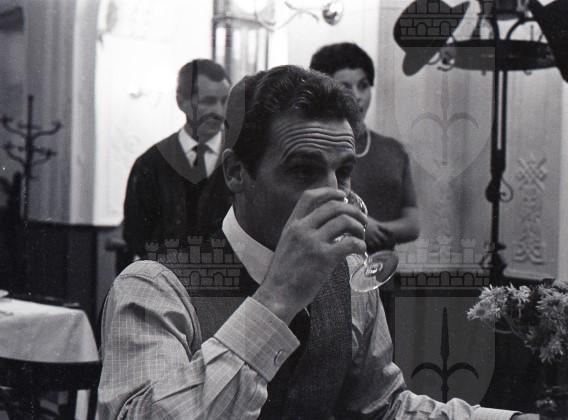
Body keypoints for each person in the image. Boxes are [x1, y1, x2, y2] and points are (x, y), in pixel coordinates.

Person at [98, 65, 534, 419]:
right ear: (236, 172)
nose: (334, 194)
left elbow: (384, 408)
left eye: (343, 171)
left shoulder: (349, 277)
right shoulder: (153, 288)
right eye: (303, 171)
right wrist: (276, 299)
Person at [310, 42, 420, 253]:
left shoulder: (393, 150)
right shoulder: (313, 148)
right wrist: (361, 225)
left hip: (381, 267)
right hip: (328, 263)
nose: (357, 96)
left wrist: (370, 228)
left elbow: (413, 223)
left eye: (363, 85)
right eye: (345, 87)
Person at [122, 59, 232, 259]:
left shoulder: (242, 160)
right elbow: (136, 236)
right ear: (181, 102)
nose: (219, 111)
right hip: (166, 274)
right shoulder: (150, 164)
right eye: (208, 101)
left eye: (224, 101)